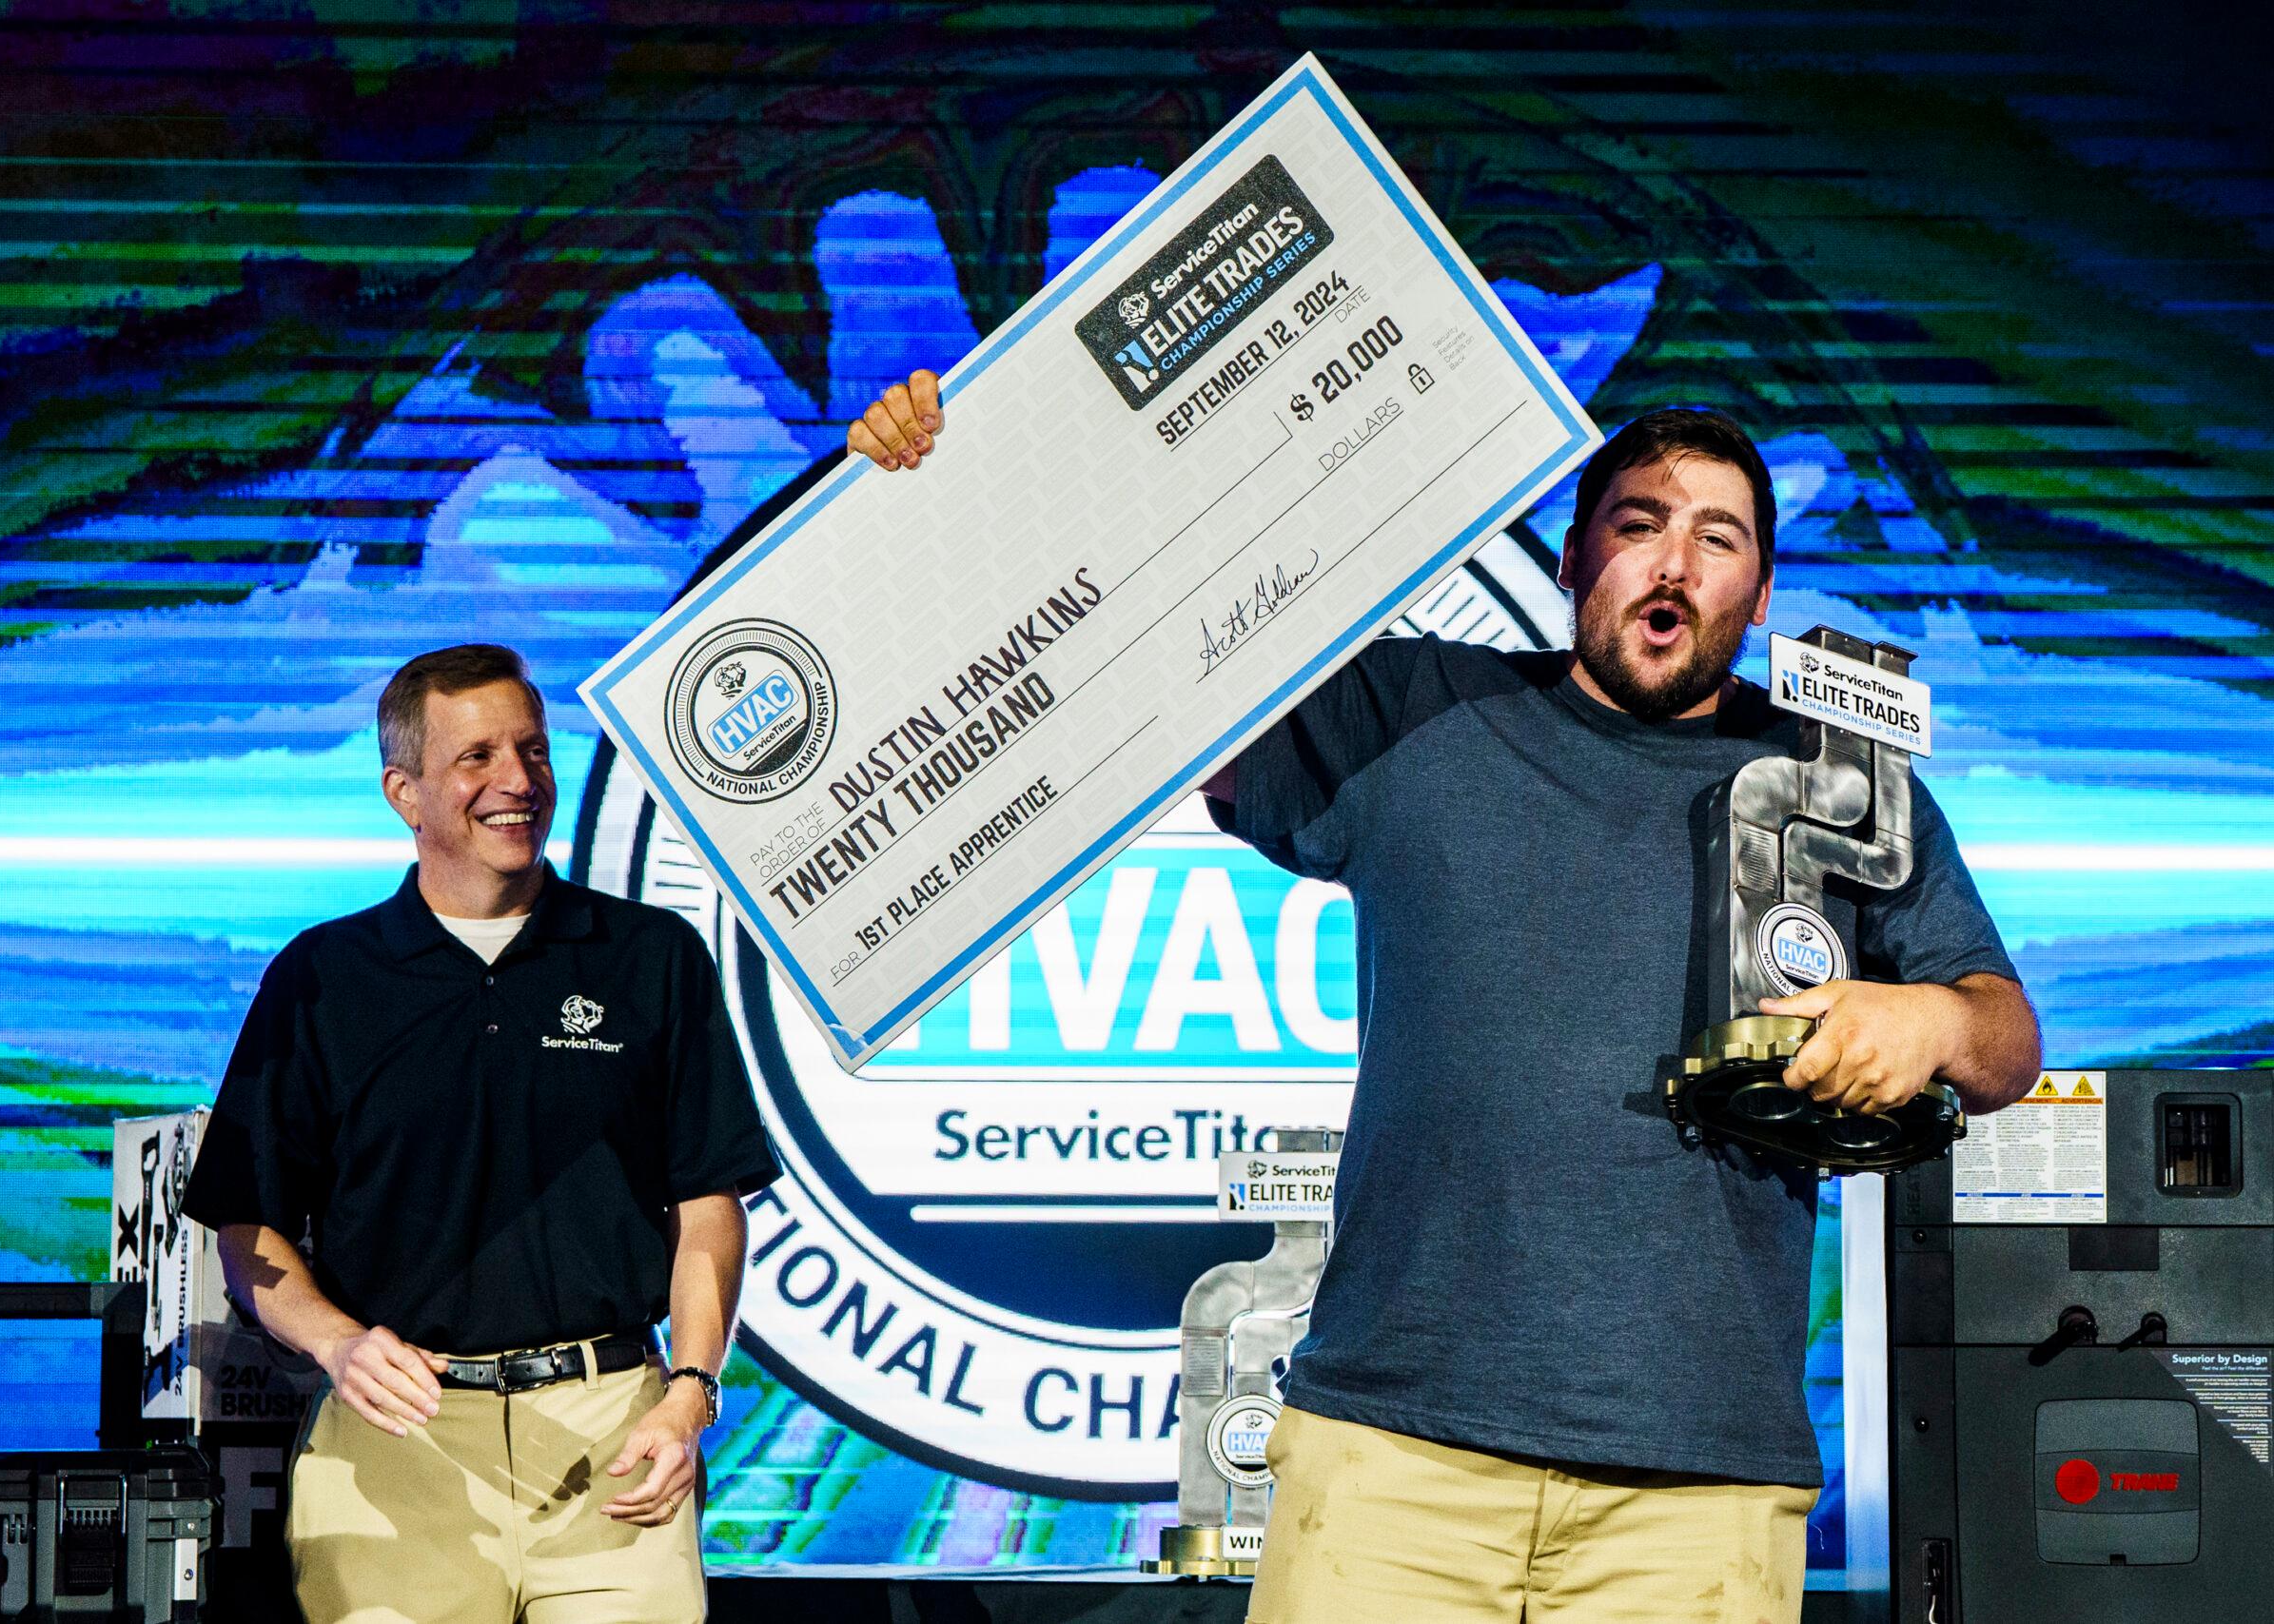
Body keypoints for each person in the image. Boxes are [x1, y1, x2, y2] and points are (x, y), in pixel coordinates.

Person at [851, 375, 2041, 1623]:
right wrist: (955, 487)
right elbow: (1143, 677)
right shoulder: (1418, 708)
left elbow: (2006, 1040)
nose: (1674, 562)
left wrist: (1933, 1022)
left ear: (1759, 589)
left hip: (1699, 1482)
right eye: (1640, 523)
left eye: (1719, 537)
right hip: (1391, 1458)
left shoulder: (1838, 779)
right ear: (1580, 553)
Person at [182, 643, 778, 1624]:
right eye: (477, 758)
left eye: (533, 752)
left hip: (611, 1441)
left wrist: (691, 1394)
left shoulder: (651, 956)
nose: (517, 781)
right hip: (396, 1446)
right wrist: (337, 1347)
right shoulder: (324, 977)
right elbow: (247, 1232)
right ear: (403, 792)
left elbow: (709, 1205)